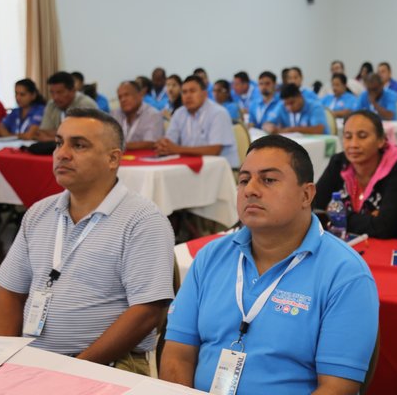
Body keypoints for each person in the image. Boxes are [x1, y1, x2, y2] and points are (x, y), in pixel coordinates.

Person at [160, 135, 379, 394]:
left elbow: (337, 388)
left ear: (306, 194)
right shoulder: (210, 257)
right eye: (243, 180)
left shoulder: (345, 274)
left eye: (268, 179)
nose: (250, 189)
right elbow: (177, 356)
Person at [0, 108, 174, 374]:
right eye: (58, 143)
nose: (62, 154)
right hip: (30, 361)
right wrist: (3, 362)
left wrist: (74, 369)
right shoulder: (40, 212)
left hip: (107, 365)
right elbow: (11, 292)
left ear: (112, 159)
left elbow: (147, 312)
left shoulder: (142, 220)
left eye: (78, 145)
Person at [314, 111, 397, 238]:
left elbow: (386, 227)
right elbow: (314, 209)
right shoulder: (338, 163)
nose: (353, 144)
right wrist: (368, 219)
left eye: (362, 136)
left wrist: (334, 214)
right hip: (346, 244)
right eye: (348, 137)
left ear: (381, 140)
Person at [157, 75, 239, 168]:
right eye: (184, 92)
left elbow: (214, 150)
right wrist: (163, 146)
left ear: (204, 94)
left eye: (192, 91)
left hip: (220, 170)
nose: (188, 96)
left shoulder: (218, 113)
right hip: (188, 166)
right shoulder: (179, 113)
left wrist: (177, 149)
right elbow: (169, 143)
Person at [38, 71, 99, 140]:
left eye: (60, 92)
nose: (55, 97)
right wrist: (66, 136)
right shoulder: (51, 104)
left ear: (73, 91)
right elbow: (42, 133)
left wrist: (53, 137)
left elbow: (84, 137)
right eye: (52, 92)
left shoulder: (85, 104)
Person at [110, 81, 164, 150]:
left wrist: (117, 146)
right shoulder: (115, 114)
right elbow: (107, 139)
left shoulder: (153, 115)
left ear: (140, 95)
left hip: (144, 157)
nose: (123, 100)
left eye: (127, 95)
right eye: (120, 97)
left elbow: (151, 143)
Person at [263, 84, 328, 135]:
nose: (289, 107)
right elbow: (266, 124)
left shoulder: (315, 106)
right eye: (286, 104)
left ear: (300, 96)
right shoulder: (282, 106)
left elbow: (319, 130)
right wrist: (270, 128)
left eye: (292, 103)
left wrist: (290, 130)